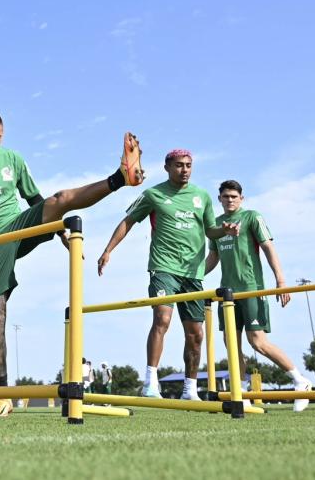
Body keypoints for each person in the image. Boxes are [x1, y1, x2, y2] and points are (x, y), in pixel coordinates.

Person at [0, 109, 144, 415]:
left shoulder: (13, 159)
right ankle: (3, 393)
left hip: (17, 226)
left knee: (60, 198)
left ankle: (119, 178)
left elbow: (36, 200)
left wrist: (57, 227)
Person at [98, 149, 240, 400]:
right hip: (163, 268)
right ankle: (150, 383)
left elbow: (210, 231)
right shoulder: (154, 194)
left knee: (195, 334)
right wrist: (108, 250)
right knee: (162, 319)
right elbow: (127, 221)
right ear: (167, 168)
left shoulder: (202, 196)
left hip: (193, 273)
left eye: (188, 165)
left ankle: (190, 389)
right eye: (178, 165)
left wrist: (225, 231)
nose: (184, 170)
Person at [205, 180, 314, 411]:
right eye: (226, 196)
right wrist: (194, 276)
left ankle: (299, 381)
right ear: (220, 199)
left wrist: (281, 280)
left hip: (252, 288)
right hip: (228, 294)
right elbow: (213, 257)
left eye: (234, 196)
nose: (230, 199)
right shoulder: (215, 225)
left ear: (241, 199)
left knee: (258, 342)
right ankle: (241, 391)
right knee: (231, 345)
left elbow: (268, 247)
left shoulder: (253, 217)